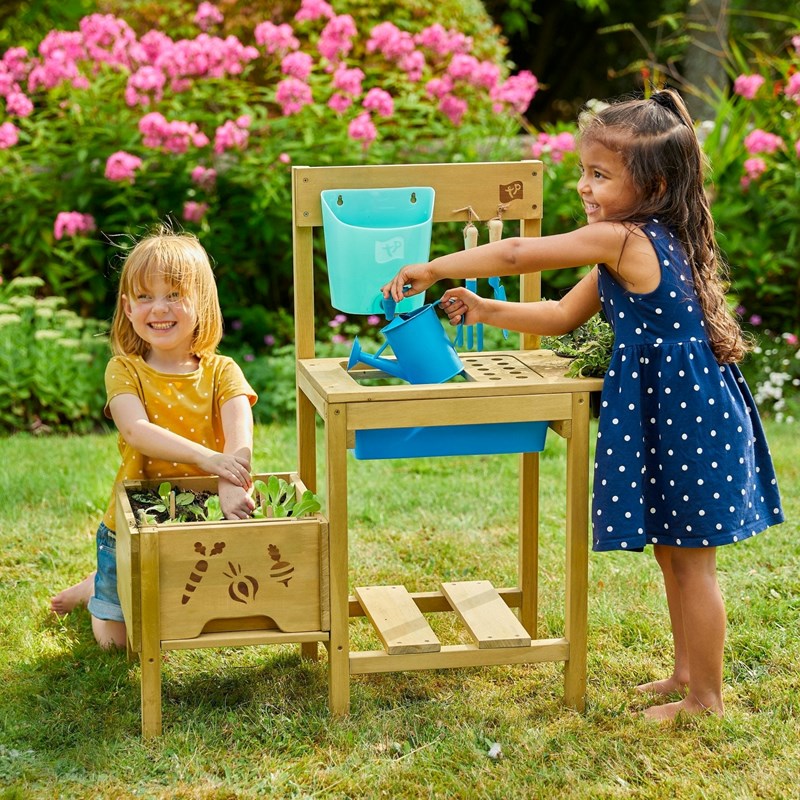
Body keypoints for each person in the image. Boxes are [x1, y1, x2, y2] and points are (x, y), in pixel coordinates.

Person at [383, 89, 784, 721]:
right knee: (671, 552)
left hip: (690, 419)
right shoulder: (628, 247)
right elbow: (560, 316)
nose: (583, 187)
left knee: (693, 562)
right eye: (583, 172)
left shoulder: (625, 241)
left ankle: (706, 697)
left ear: (650, 185)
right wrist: (488, 310)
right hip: (675, 415)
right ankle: (685, 673)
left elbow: (516, 253)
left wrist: (435, 266)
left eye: (599, 175)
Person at [50, 226, 257, 649]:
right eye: (145, 297)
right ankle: (96, 588)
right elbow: (136, 430)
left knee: (189, 615)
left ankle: (101, 586)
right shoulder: (125, 370)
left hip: (199, 519)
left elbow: (240, 437)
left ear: (202, 304)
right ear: (127, 307)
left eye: (174, 295)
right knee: (116, 643)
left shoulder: (223, 371)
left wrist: (229, 481)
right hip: (133, 524)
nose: (158, 308)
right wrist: (210, 460)